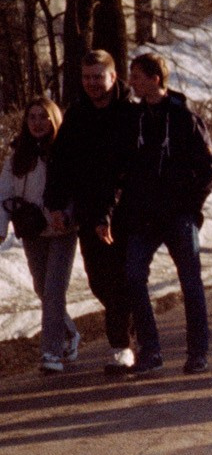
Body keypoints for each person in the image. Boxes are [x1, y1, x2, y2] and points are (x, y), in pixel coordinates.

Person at [117, 52, 212, 377]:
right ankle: (151, 350)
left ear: (155, 79)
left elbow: (210, 170)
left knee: (190, 282)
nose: (131, 82)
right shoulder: (133, 119)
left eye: (137, 75)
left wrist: (189, 205)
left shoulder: (185, 118)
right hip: (143, 217)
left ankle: (198, 352)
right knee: (133, 277)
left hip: (178, 216)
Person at [44, 50, 140, 370]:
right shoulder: (78, 113)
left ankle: (120, 346)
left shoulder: (130, 113)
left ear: (113, 77)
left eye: (98, 77)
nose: (92, 84)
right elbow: (61, 163)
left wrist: (110, 212)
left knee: (119, 278)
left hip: (125, 210)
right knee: (98, 280)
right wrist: (55, 203)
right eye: (86, 77)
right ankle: (131, 320)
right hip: (88, 211)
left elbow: (130, 168)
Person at [1, 97, 79, 372]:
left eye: (43, 116)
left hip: (61, 230)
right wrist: (2, 227)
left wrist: (67, 215)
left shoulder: (64, 152)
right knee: (41, 289)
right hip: (32, 230)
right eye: (32, 117)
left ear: (53, 119)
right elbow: (5, 192)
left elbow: (75, 190)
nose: (37, 122)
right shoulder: (17, 156)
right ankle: (69, 332)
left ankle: (51, 354)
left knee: (55, 290)